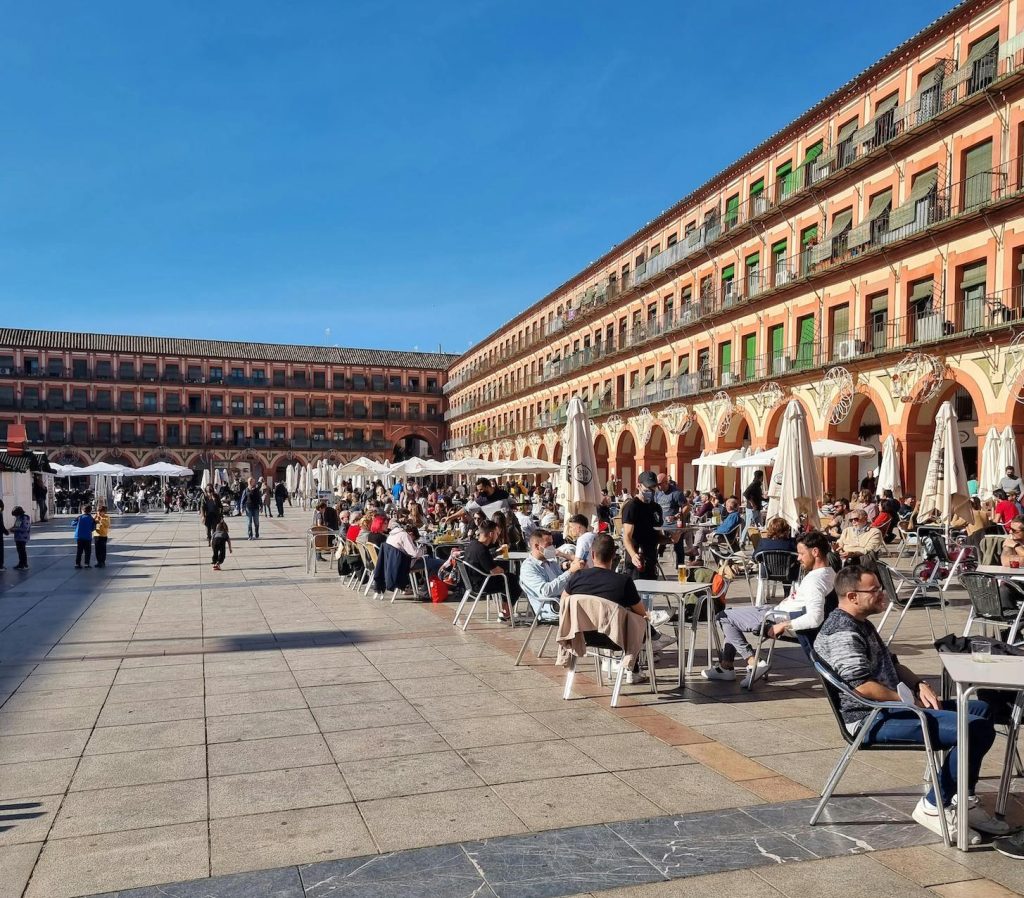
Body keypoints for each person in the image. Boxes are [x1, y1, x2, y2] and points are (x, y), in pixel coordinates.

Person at [814, 565, 1004, 843]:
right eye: (875, 590)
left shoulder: (861, 623)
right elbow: (862, 686)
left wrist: (919, 685)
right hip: (872, 718)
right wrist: (912, 702)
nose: (883, 594)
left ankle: (963, 797)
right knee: (974, 728)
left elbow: (893, 664)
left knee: (981, 710)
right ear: (852, 596)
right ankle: (932, 806)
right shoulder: (842, 631)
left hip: (895, 708)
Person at [703, 530, 835, 686]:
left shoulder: (815, 581)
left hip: (778, 617)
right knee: (731, 614)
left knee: (723, 617)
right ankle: (726, 666)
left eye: (801, 553)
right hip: (778, 611)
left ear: (815, 552)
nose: (798, 558)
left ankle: (752, 662)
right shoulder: (830, 573)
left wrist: (784, 624)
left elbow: (814, 618)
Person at [563, 532, 673, 682]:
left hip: (580, 635)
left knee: (629, 616)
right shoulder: (623, 581)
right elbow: (641, 613)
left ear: (593, 554)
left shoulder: (577, 577)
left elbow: (565, 602)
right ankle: (645, 653)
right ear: (614, 556)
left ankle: (652, 643)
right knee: (636, 620)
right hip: (617, 638)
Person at [462, 520, 520, 621]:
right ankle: (506, 612)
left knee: (508, 579)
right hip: (482, 585)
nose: (497, 536)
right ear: (491, 534)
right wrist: (503, 570)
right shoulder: (482, 550)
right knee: (514, 581)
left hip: (471, 583)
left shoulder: (472, 545)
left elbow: (485, 560)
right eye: (497, 534)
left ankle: (505, 610)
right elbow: (495, 571)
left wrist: (498, 553)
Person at [520, 530, 582, 620]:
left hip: (564, 600)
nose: (552, 547)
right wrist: (570, 572)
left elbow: (565, 584)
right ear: (537, 546)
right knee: (588, 608)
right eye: (548, 544)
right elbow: (546, 591)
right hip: (550, 606)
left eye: (552, 544)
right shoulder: (528, 568)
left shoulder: (551, 563)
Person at [621, 471, 663, 579]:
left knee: (650, 593)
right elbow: (626, 536)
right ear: (639, 486)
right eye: (648, 487)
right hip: (637, 559)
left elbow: (657, 536)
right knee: (636, 593)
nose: (651, 491)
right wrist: (633, 555)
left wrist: (672, 539)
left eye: (654, 487)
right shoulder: (632, 506)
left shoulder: (656, 508)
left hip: (651, 558)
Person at [73, 504, 96, 569]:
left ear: (82, 510)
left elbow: (73, 523)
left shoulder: (79, 517)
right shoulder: (91, 518)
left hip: (79, 536)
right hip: (87, 537)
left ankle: (77, 564)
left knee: (79, 551)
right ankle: (86, 563)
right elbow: (93, 528)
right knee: (87, 551)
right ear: (90, 511)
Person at [94, 504, 111, 568]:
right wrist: (95, 518)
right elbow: (92, 523)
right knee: (97, 549)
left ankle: (103, 561)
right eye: (98, 511)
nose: (99, 513)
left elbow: (107, 525)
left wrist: (101, 519)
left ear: (104, 512)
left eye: (101, 511)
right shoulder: (96, 517)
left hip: (103, 535)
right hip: (96, 534)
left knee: (103, 549)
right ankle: (99, 561)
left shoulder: (106, 517)